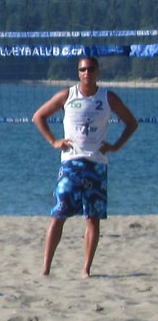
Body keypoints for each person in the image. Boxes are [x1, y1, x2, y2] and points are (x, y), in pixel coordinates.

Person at [32, 56, 137, 278]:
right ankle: (45, 269)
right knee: (58, 214)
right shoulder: (67, 95)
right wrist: (54, 141)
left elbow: (131, 122)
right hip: (71, 163)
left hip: (96, 163)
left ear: (98, 71)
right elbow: (38, 116)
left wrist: (116, 146)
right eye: (82, 69)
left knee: (92, 218)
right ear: (78, 73)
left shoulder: (107, 97)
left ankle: (86, 269)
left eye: (90, 69)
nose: (87, 73)